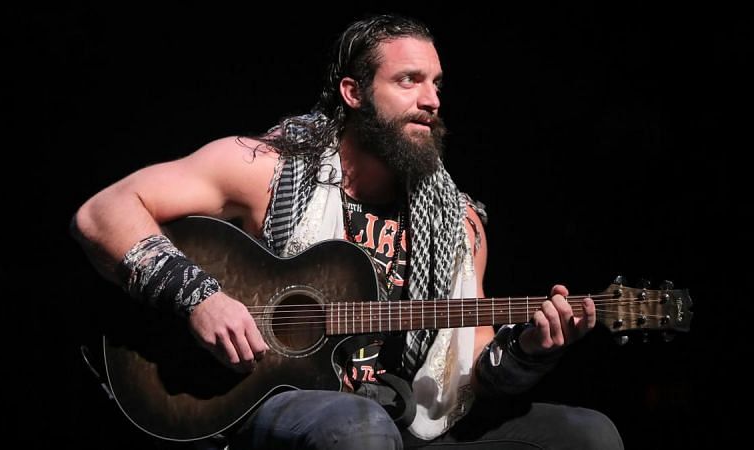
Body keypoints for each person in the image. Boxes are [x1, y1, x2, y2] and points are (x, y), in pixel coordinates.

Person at [72, 13, 624, 450]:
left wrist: (528, 349)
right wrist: (201, 298)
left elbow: (471, 371)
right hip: (274, 401)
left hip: (408, 418)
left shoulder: (461, 223)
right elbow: (104, 212)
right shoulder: (265, 167)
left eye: (436, 83)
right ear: (354, 93)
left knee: (590, 434)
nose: (430, 99)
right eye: (409, 80)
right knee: (358, 428)